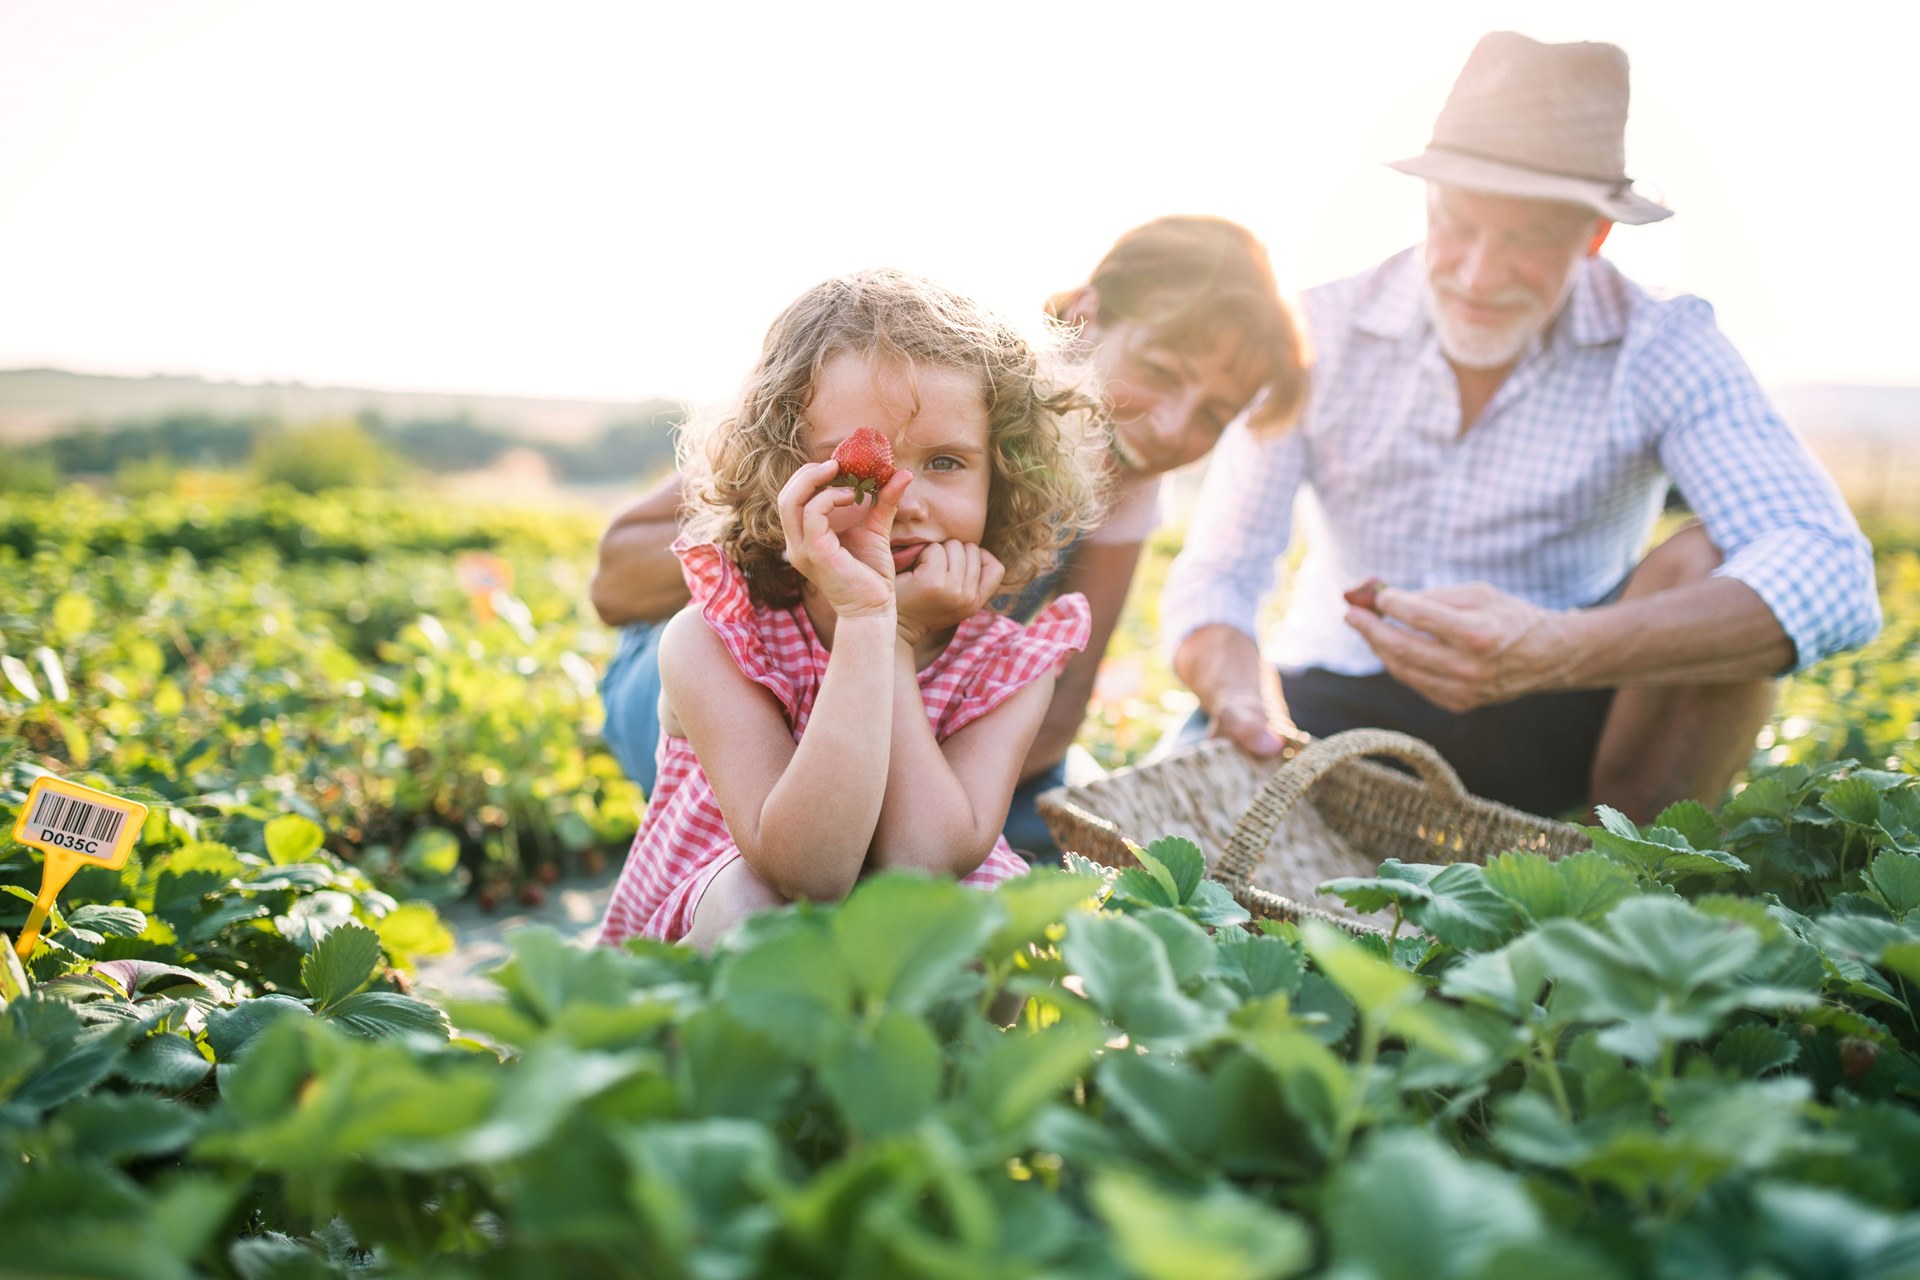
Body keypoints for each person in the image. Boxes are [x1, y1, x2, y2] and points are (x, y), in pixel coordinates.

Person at [1161, 31, 1881, 823]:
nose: (1477, 275)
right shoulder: (1319, 333)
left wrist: (1557, 647)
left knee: (1713, 556)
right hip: (1333, 700)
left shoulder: (1661, 344)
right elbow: (1221, 573)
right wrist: (1240, 702)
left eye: (1528, 238)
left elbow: (1830, 570)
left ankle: (1632, 878)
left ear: (1594, 235)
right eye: (1458, 226)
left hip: (1571, 710)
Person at [591, 216, 1310, 859]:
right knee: (805, 816)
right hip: (747, 688)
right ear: (1086, 314)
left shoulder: (1127, 481)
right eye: (1159, 372)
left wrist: (910, 728)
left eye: (1214, 413)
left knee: (1075, 824)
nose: (1173, 427)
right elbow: (614, 581)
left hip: (921, 711)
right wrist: (807, 547)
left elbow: (1057, 716)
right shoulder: (918, 376)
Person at [598, 269, 1109, 948]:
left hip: (896, 945)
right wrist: (872, 622)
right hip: (723, 944)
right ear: (782, 475)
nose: (906, 500)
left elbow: (925, 865)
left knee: (993, 922)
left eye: (948, 463)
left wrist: (893, 637)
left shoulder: (1009, 666)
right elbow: (807, 873)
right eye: (860, 470)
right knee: (767, 912)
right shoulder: (718, 639)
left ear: (1005, 476)